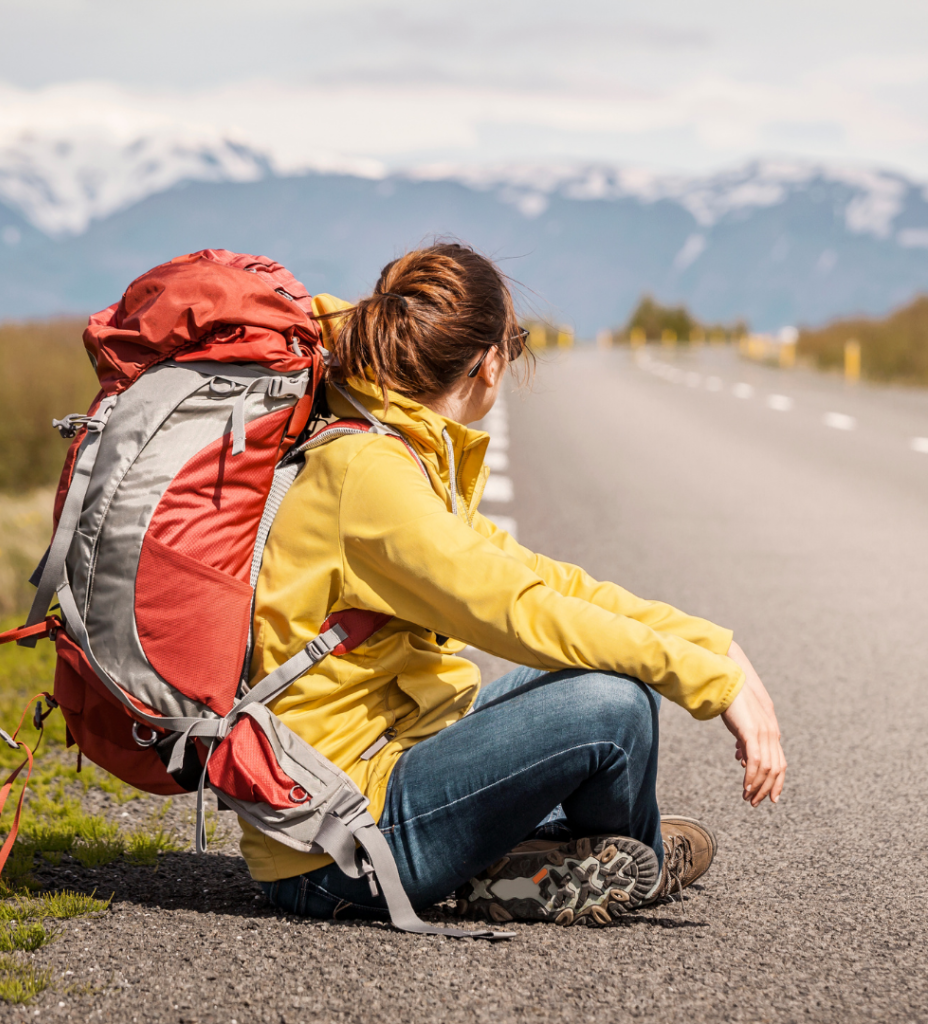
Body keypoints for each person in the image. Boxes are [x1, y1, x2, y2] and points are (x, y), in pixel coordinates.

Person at [241, 242, 787, 927]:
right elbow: (516, 610)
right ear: (489, 360)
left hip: (390, 766)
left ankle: (546, 863)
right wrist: (710, 686)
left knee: (619, 689)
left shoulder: (395, 446)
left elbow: (540, 578)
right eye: (515, 342)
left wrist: (712, 647)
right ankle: (596, 863)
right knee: (612, 709)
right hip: (336, 844)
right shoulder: (368, 475)